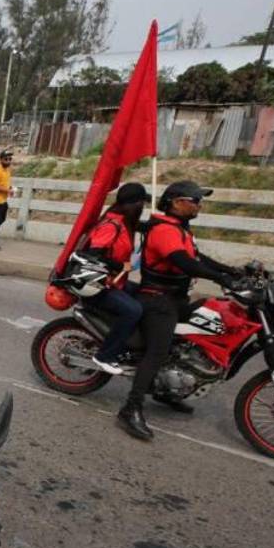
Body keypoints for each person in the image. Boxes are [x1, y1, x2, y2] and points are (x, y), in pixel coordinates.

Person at [117, 180, 246, 441]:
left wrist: (233, 271)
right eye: (195, 200)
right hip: (157, 301)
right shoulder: (164, 230)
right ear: (177, 203)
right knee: (157, 352)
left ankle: (168, 391)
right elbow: (184, 263)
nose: (200, 205)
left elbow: (199, 258)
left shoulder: (181, 229)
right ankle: (130, 409)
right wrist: (222, 280)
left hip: (176, 299)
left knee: (195, 334)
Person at [82, 183, 150, 375]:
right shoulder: (112, 224)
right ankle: (105, 355)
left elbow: (142, 227)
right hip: (99, 285)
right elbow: (95, 254)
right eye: (141, 204)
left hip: (115, 282)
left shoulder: (124, 221)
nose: (142, 208)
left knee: (146, 294)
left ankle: (130, 346)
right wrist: (120, 266)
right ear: (132, 204)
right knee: (133, 310)